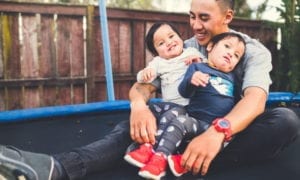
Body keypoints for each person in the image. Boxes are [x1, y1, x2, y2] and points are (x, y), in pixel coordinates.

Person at [0, 0, 298, 180]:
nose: (194, 25)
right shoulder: (185, 47)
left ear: (228, 17)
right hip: (181, 123)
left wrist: (217, 132)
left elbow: (256, 99)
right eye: (191, 16)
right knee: (146, 117)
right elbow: (144, 86)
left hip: (225, 132)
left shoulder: (253, 51)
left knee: (285, 121)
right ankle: (57, 167)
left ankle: (177, 162)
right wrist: (139, 107)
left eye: (203, 18)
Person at [125, 32, 246, 179]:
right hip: (196, 120)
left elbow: (241, 102)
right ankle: (149, 149)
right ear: (211, 47)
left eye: (236, 55)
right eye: (227, 46)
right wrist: (191, 80)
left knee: (180, 122)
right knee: (163, 111)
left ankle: (160, 158)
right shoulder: (197, 67)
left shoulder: (233, 77)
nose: (230, 54)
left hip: (214, 128)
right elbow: (184, 92)